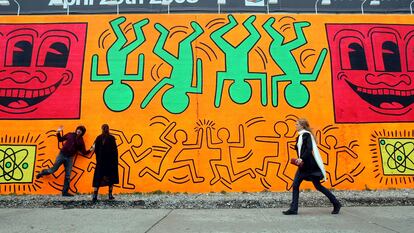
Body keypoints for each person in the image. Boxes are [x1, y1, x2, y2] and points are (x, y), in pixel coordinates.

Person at [283, 118, 341, 215]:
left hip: (308, 165)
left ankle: (293, 209)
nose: (295, 126)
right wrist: (300, 158)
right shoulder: (300, 136)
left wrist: (301, 158)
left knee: (297, 185)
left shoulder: (306, 135)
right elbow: (302, 149)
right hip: (305, 165)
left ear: (302, 126)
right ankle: (336, 203)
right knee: (316, 186)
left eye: (297, 124)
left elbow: (309, 149)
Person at [36, 125, 92, 197]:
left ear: (82, 133)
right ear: (76, 129)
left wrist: (91, 149)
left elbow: (84, 152)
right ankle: (43, 172)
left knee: (68, 175)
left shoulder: (81, 141)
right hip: (62, 155)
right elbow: (60, 139)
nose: (79, 130)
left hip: (70, 158)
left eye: (81, 130)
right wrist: (58, 132)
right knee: (53, 170)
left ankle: (65, 192)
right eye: (78, 129)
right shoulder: (70, 134)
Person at [91, 124, 119, 202]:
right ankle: (110, 195)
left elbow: (96, 150)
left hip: (101, 161)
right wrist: (115, 161)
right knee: (110, 178)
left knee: (98, 178)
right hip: (110, 162)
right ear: (108, 129)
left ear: (102, 129)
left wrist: (98, 159)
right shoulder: (112, 138)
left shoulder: (98, 138)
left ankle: (95, 195)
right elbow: (115, 151)